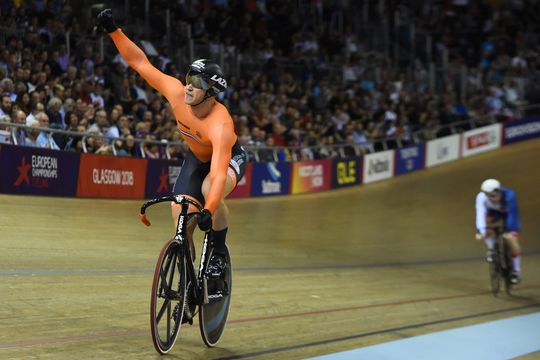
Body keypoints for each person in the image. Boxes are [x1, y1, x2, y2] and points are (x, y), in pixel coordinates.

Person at [97, 9, 247, 280]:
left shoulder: (220, 124)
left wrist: (210, 209)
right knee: (181, 214)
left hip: (227, 159)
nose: (188, 86)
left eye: (198, 83)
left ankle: (219, 251)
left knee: (208, 188)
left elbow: (217, 175)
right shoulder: (177, 93)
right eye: (189, 78)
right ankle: (188, 274)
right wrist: (113, 30)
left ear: (212, 92)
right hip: (196, 159)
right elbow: (140, 63)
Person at [475, 179, 522, 284]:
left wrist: (510, 232)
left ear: (500, 191)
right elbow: (480, 214)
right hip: (493, 214)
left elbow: (512, 216)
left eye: (494, 195)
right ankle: (491, 249)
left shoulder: (510, 196)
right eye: (489, 196)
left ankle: (516, 270)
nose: (492, 198)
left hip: (508, 214)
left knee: (512, 239)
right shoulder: (481, 197)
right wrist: (481, 230)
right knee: (486, 228)